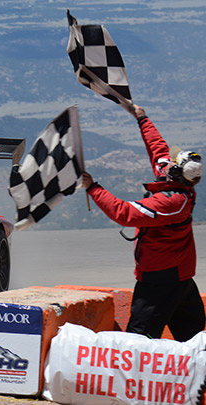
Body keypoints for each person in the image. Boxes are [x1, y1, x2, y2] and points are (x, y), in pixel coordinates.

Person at [82, 104, 204, 341]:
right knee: (193, 339)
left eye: (172, 162)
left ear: (175, 173)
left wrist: (93, 188)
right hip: (179, 277)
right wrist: (141, 118)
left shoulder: (172, 202)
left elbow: (123, 213)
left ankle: (130, 379)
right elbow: (157, 148)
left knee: (138, 340)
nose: (167, 161)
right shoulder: (178, 186)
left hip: (159, 282)